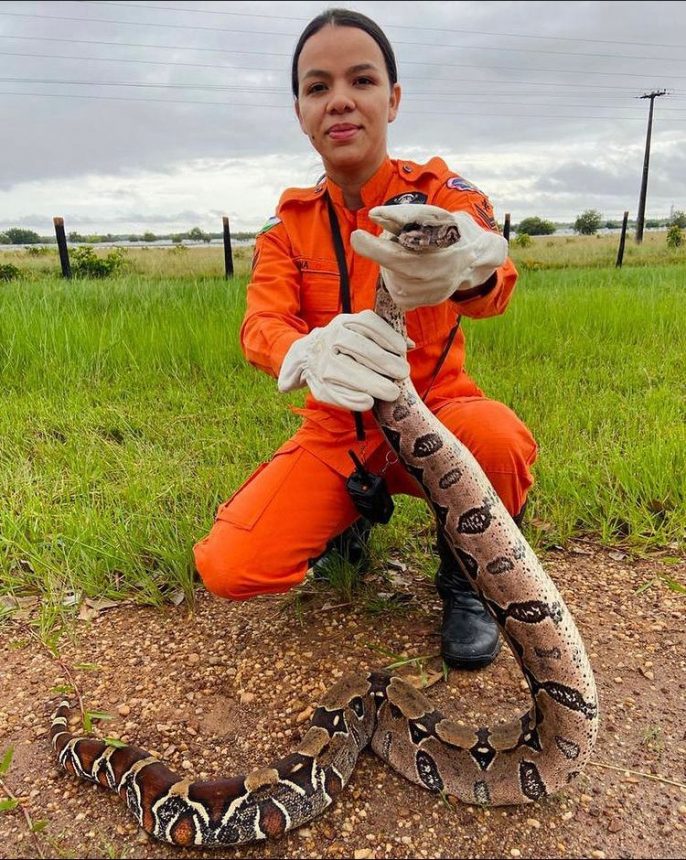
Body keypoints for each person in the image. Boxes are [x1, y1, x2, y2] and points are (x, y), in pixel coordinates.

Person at [193, 8, 538, 670]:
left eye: (362, 80)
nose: (340, 100)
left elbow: (494, 279)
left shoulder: (439, 192)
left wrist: (467, 265)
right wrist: (302, 351)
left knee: (500, 441)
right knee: (230, 567)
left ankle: (469, 581)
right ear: (300, 111)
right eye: (317, 87)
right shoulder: (285, 227)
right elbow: (261, 323)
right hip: (337, 434)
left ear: (394, 98)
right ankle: (344, 525)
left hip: (440, 410)